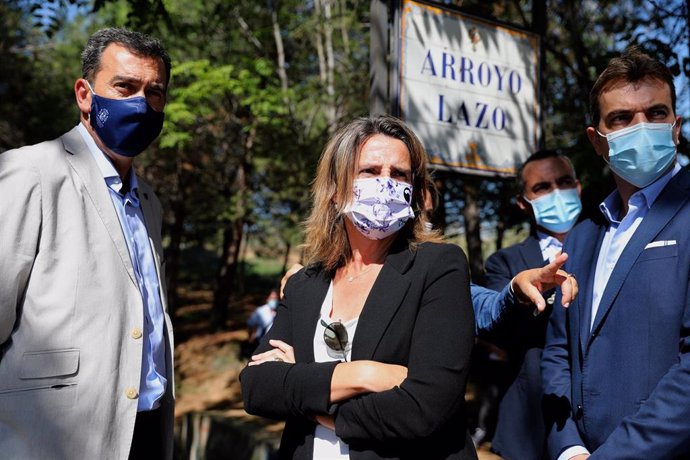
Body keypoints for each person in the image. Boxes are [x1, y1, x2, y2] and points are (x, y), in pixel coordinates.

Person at [241, 115, 478, 459]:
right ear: (336, 190)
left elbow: (425, 408)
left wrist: (304, 393)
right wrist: (365, 373)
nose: (386, 183)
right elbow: (257, 387)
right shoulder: (306, 283)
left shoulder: (439, 266)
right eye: (369, 171)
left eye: (399, 174)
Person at [0, 28, 174, 459]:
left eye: (154, 92)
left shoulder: (149, 202)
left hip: (146, 430)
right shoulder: (31, 173)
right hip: (50, 439)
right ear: (84, 94)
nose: (140, 102)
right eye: (124, 87)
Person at [541, 47, 689, 459]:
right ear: (598, 140)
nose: (641, 127)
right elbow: (559, 350)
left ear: (676, 127)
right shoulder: (584, 236)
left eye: (656, 114)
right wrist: (568, 445)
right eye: (621, 118)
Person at [483, 150, 582, 459]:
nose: (556, 192)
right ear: (523, 202)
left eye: (564, 182)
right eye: (542, 187)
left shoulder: (610, 245)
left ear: (578, 188)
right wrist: (528, 293)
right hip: (529, 426)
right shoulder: (504, 262)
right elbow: (497, 331)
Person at [241, 289, 280, 359]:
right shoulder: (261, 311)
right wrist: (250, 337)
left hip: (274, 346)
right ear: (267, 299)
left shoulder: (280, 311)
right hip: (260, 343)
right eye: (272, 298)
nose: (273, 301)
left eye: (275, 298)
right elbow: (250, 323)